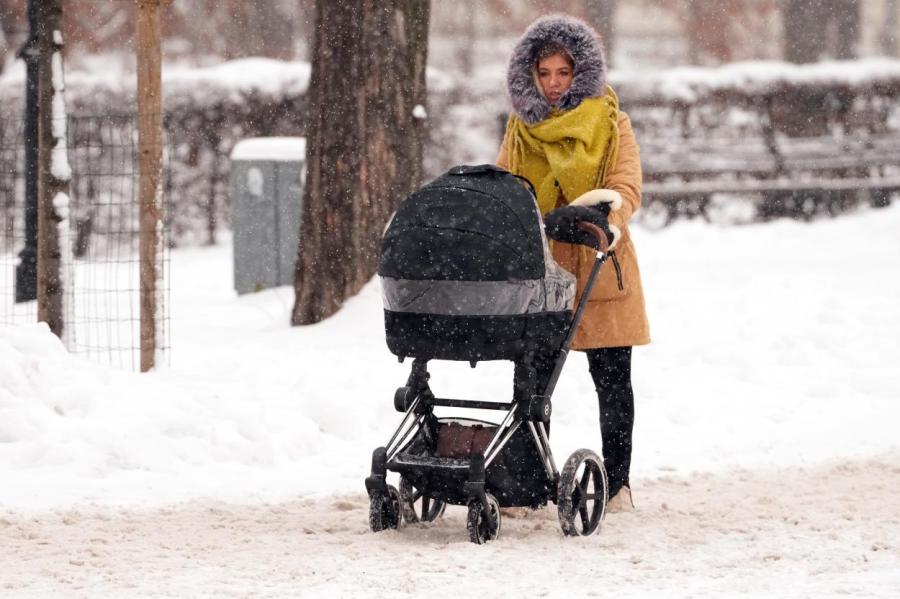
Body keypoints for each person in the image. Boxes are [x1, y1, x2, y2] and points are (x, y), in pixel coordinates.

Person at [496, 14, 650, 512]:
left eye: (564, 72)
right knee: (533, 381)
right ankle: (528, 480)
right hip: (544, 267)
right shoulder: (522, 128)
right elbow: (506, 184)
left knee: (612, 380)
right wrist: (527, 222)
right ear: (531, 75)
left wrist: (602, 215)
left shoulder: (610, 122)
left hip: (601, 260)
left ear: (581, 71)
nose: (555, 84)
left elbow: (627, 186)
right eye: (545, 73)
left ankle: (620, 483)